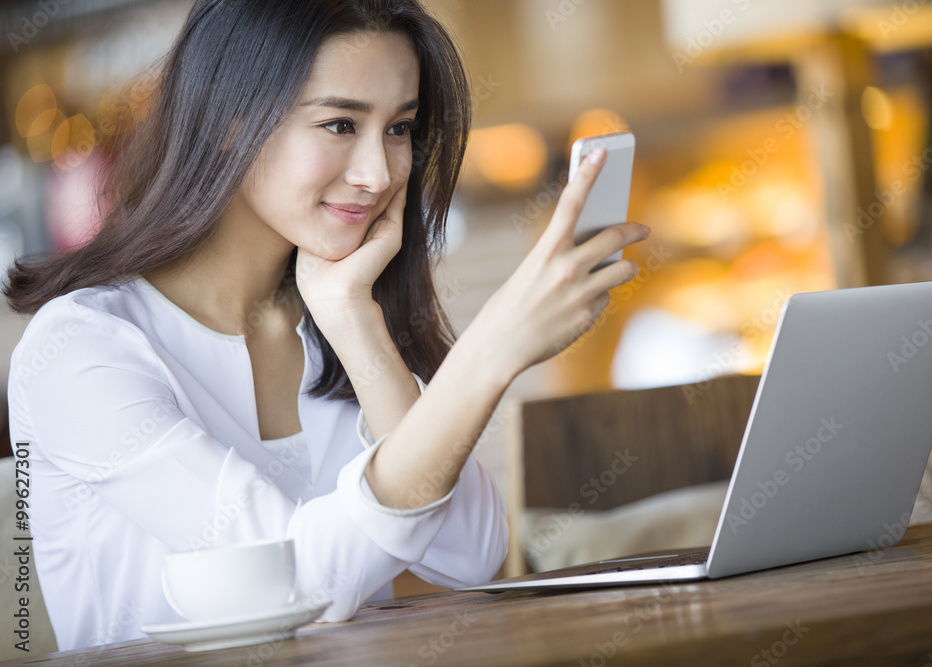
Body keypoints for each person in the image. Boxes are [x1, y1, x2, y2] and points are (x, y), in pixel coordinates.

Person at [4, 0, 648, 651]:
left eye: (400, 128)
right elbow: (293, 585)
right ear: (229, 122)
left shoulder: (334, 314)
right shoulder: (79, 348)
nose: (378, 173)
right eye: (341, 123)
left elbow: (469, 552)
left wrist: (353, 320)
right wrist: (488, 358)